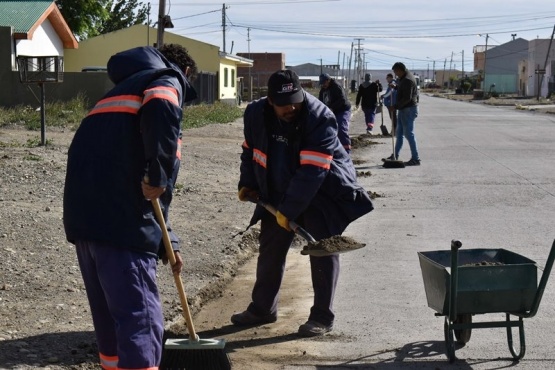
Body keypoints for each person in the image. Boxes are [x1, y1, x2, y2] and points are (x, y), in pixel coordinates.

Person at [63, 44, 198, 369]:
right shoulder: (166, 80)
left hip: (87, 227)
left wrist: (168, 243)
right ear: (185, 72)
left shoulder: (116, 95)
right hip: (124, 229)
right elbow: (151, 180)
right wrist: (160, 173)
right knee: (141, 321)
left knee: (110, 325)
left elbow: (122, 173)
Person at [231, 69, 374, 337]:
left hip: (323, 189)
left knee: (322, 249)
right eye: (284, 104)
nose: (291, 107)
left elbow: (313, 172)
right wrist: (247, 182)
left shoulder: (320, 117)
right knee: (270, 249)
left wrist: (288, 210)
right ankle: (263, 308)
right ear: (270, 101)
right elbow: (251, 151)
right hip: (277, 188)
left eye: (295, 100)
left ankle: (321, 316)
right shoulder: (255, 114)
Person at [389, 62, 421, 166]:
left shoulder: (408, 79)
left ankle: (416, 158)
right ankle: (395, 155)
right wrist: (396, 87)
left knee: (409, 134)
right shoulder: (403, 78)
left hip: (409, 109)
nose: (395, 74)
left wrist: (396, 106)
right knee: (399, 134)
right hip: (403, 109)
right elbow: (404, 90)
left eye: (395, 72)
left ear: (400, 70)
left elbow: (408, 97)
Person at [318, 73, 352, 153]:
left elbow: (342, 100)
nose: (323, 85)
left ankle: (346, 149)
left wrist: (332, 107)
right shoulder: (322, 90)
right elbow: (320, 102)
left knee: (341, 128)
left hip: (343, 110)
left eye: (324, 83)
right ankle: (334, 150)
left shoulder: (336, 86)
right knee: (328, 130)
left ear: (328, 80)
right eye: (322, 83)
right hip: (331, 111)